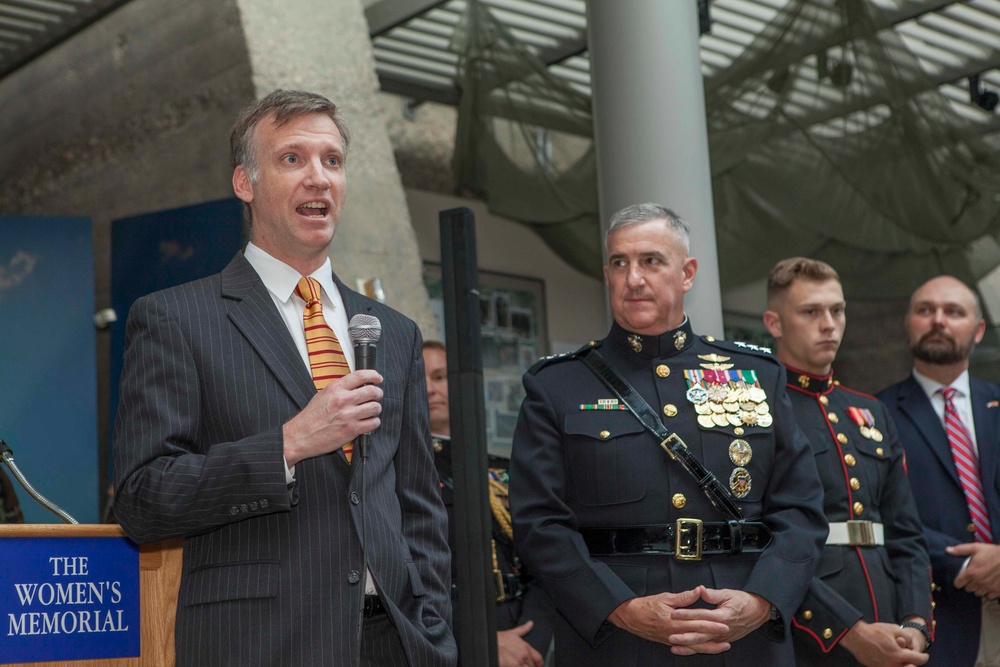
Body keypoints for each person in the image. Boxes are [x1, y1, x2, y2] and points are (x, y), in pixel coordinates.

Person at [113, 90, 456, 667]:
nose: (319, 178)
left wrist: (430, 627)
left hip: (394, 643)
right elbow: (143, 499)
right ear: (245, 184)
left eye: (333, 161)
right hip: (261, 644)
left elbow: (418, 503)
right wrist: (288, 445)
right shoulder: (176, 318)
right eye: (293, 159)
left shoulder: (393, 333)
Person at [509, 203, 827, 666]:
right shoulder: (557, 386)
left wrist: (762, 601)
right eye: (620, 263)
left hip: (741, 635)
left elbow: (801, 509)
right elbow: (539, 523)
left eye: (651, 261)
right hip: (619, 641)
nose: (633, 278)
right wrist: (618, 608)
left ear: (688, 273)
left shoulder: (756, 375)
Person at [763, 257, 932, 666]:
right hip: (809, 632)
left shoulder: (870, 411)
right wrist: (847, 631)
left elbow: (906, 534)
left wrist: (915, 623)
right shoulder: (760, 412)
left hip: (891, 617)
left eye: (837, 310)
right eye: (810, 312)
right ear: (774, 323)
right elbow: (763, 540)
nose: (829, 324)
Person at [878, 276, 1000, 667]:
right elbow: (878, 513)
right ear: (908, 323)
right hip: (935, 621)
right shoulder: (874, 415)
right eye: (925, 310)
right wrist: (964, 564)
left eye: (954, 311)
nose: (938, 321)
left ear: (978, 330)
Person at [422, 340, 555, 667]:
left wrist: (532, 640)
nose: (429, 388)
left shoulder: (504, 470)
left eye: (440, 377)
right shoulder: (401, 474)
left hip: (519, 625)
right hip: (444, 632)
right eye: (418, 379)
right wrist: (478, 642)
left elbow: (542, 560)